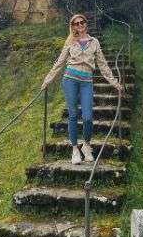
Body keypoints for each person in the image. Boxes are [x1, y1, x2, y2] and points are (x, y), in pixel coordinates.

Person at [41, 13, 124, 165]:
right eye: (75, 24)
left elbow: (103, 64)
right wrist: (48, 79)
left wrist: (114, 83)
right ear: (72, 27)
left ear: (86, 24)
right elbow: (60, 62)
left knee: (87, 117)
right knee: (72, 115)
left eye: (81, 22)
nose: (79, 25)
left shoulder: (95, 42)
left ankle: (86, 145)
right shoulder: (70, 42)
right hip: (70, 79)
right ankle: (74, 150)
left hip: (87, 81)